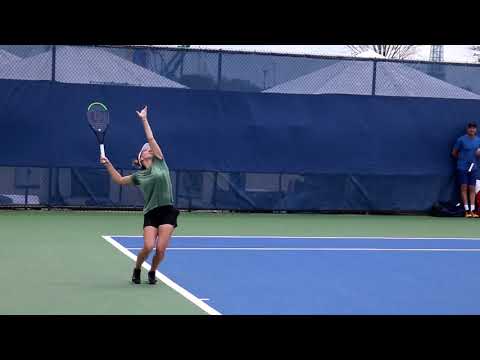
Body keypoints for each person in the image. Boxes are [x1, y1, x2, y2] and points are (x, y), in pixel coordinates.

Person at [100, 106, 179, 284]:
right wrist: (108, 164)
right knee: (148, 246)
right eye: (146, 149)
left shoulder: (160, 162)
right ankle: (137, 268)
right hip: (151, 213)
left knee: (160, 249)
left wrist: (143, 119)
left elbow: (150, 138)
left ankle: (152, 271)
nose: (149, 149)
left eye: (150, 148)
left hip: (168, 210)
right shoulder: (139, 176)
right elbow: (119, 180)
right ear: (141, 157)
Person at [452, 122, 480, 218]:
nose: (472, 130)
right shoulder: (461, 140)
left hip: (474, 167)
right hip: (462, 167)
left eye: (473, 128)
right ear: (467, 129)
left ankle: (472, 211)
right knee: (464, 187)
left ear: (476, 130)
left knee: (472, 188)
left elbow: (478, 154)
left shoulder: (478, 140)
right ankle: (466, 211)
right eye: (470, 128)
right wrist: (462, 160)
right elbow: (454, 153)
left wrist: (478, 154)